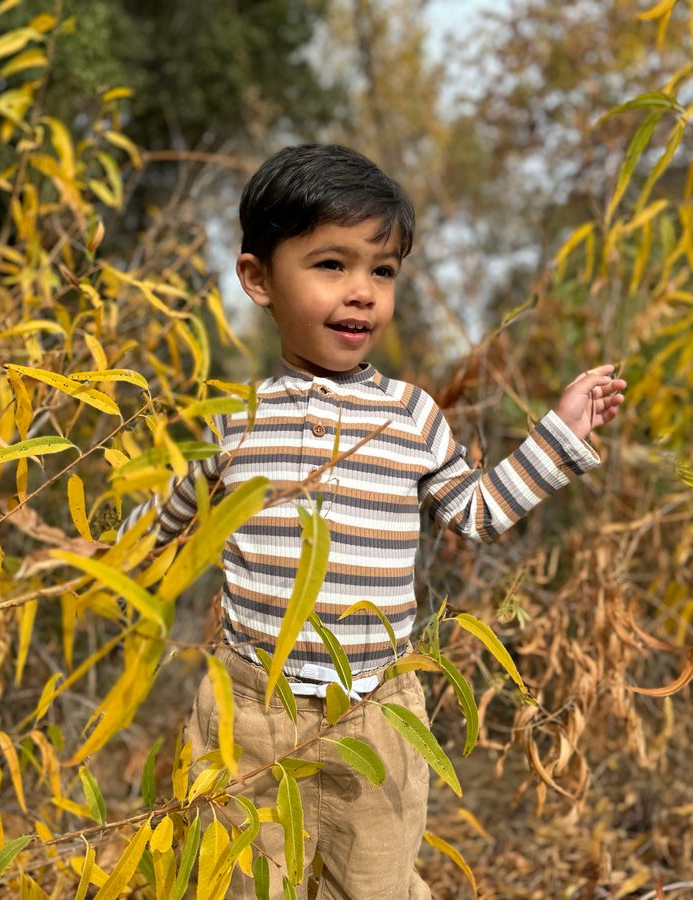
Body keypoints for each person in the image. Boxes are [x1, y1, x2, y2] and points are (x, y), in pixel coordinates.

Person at [121, 144, 626, 898]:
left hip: (376, 713)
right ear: (259, 278)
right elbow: (163, 522)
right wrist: (84, 553)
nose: (362, 292)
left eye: (381, 272)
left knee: (375, 882)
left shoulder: (410, 415)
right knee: (239, 882)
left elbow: (477, 512)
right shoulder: (234, 419)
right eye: (331, 265)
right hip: (252, 709)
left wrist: (559, 436)